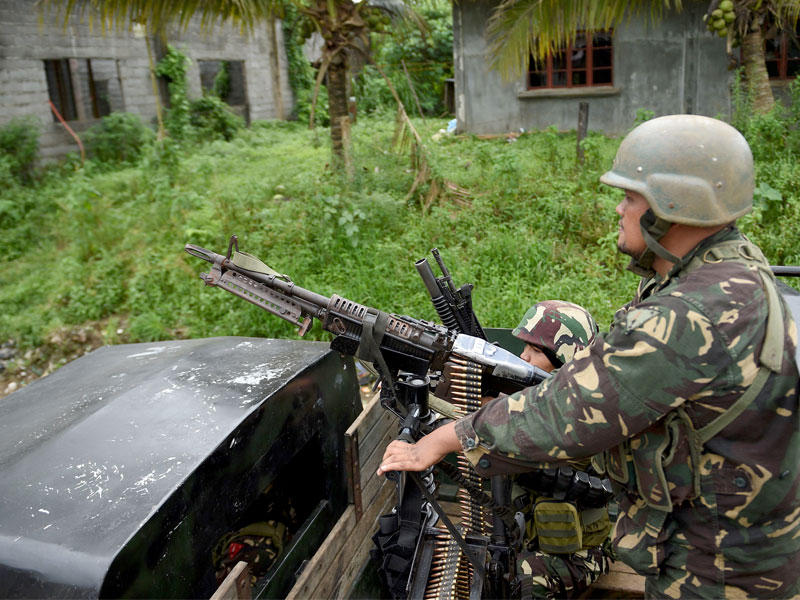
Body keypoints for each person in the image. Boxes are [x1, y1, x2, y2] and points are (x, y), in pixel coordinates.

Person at [378, 114, 800, 599]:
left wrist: (442, 440)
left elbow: (563, 414)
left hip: (718, 566)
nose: (618, 210)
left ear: (672, 207)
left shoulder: (689, 316)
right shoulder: (736, 271)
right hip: (753, 539)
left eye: (630, 198)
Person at [508, 301, 612, 599]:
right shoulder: (536, 398)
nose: (523, 356)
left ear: (567, 358)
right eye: (524, 346)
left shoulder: (582, 413)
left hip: (579, 553)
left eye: (536, 351)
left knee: (528, 583)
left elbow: (527, 439)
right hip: (528, 536)